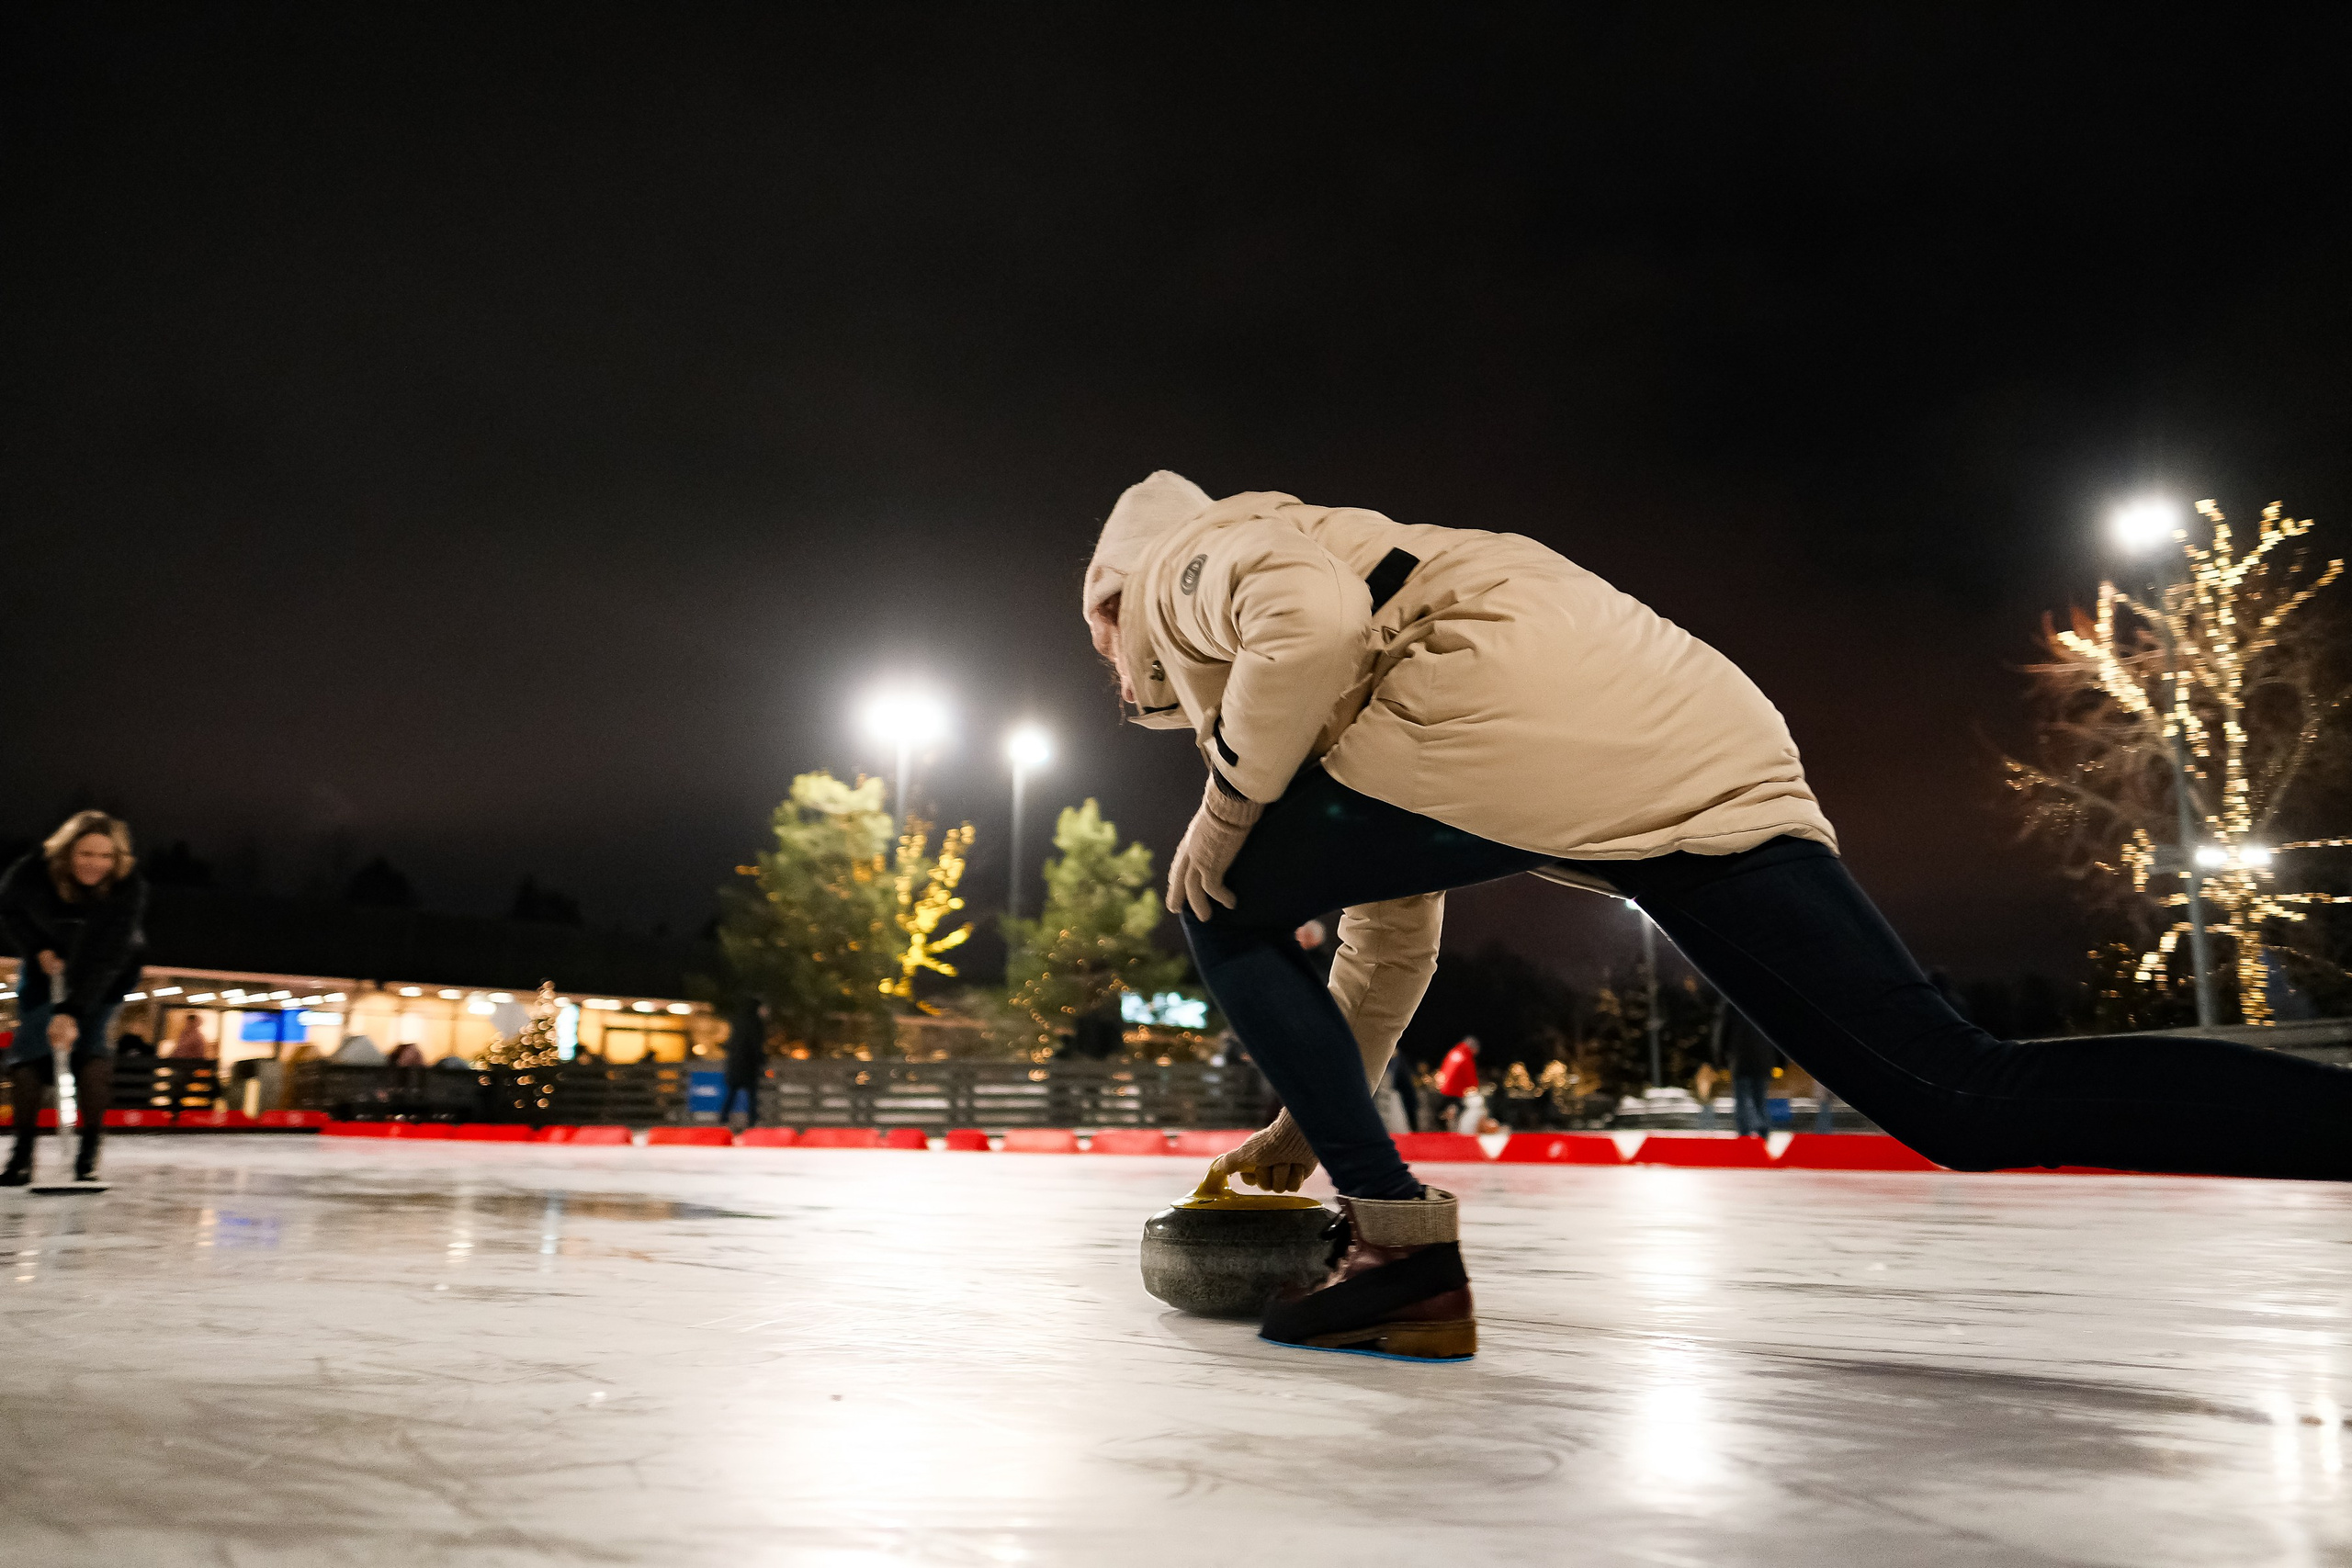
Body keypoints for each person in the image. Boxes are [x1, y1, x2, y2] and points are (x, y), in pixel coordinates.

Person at [1079, 470, 2352, 1360]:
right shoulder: (1352, 705)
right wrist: (1306, 1133)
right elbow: (1391, 937)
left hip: (1508, 686)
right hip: (1696, 731)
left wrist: (1229, 813)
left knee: (1213, 892)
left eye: (1099, 637)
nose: (1109, 667)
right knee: (1959, 1093)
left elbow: (1306, 618)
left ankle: (1405, 1268)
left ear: (1112, 598)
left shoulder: (1198, 557)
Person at [1, 811, 148, 1184]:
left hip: (106, 971)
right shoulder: (34, 870)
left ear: (117, 859)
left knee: (90, 1045)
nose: (96, 864)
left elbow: (108, 954)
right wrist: (37, 949)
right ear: (67, 852)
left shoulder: (126, 886)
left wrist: (70, 1011)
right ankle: (21, 1155)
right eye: (86, 853)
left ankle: (88, 1154)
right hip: (47, 964)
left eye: (106, 856)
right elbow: (10, 910)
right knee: (29, 1049)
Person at [1723, 1010, 1777, 1137]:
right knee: (1760, 1099)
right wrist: (1779, 1061)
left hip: (1740, 1060)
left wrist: (1720, 1058)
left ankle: (1744, 1134)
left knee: (1741, 1100)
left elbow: (1723, 1032)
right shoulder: (1766, 1004)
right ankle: (1763, 1132)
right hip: (1762, 1060)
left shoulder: (1731, 1005)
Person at [1434, 1035, 1479, 1132]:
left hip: (1443, 1091)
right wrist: (1475, 1087)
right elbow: (1471, 1079)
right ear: (1473, 1048)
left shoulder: (1453, 1053)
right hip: (1455, 1093)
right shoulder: (1466, 1057)